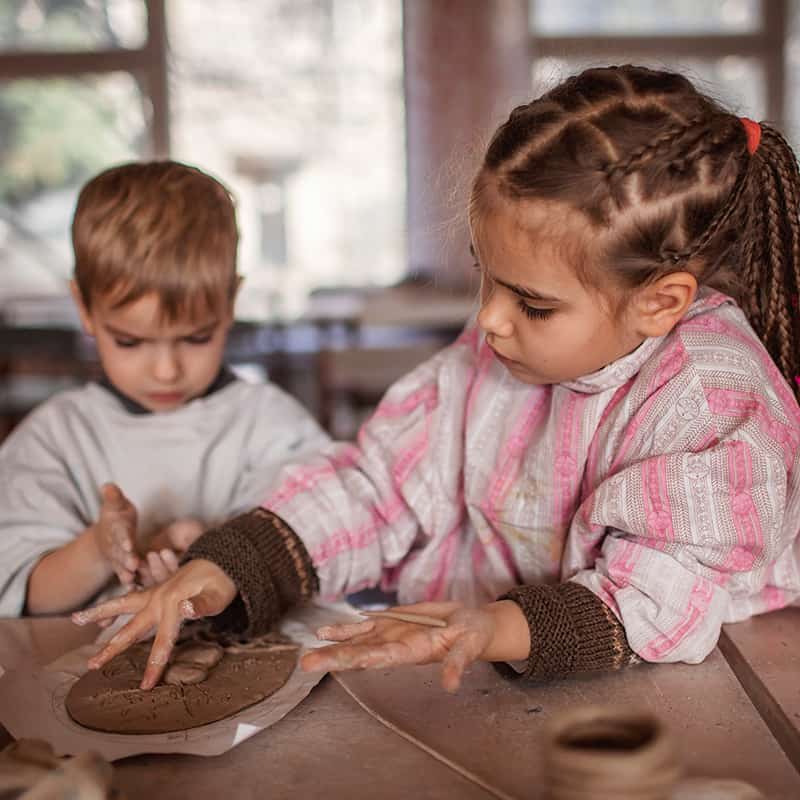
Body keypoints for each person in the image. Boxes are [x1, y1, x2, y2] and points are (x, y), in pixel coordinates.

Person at [77, 66, 800, 693]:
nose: (489, 318)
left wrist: (493, 628)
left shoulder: (713, 404)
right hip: (486, 666)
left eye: (533, 303)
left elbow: (651, 600)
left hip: (694, 689)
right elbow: (381, 487)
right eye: (487, 277)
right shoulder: (503, 350)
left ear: (660, 302)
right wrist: (236, 565)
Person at [0, 161, 329, 617]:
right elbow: (23, 591)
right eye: (130, 342)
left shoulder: (273, 424)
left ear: (230, 302)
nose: (166, 370)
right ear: (84, 308)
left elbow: (322, 542)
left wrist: (222, 554)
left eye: (196, 338)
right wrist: (100, 549)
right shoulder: (54, 439)